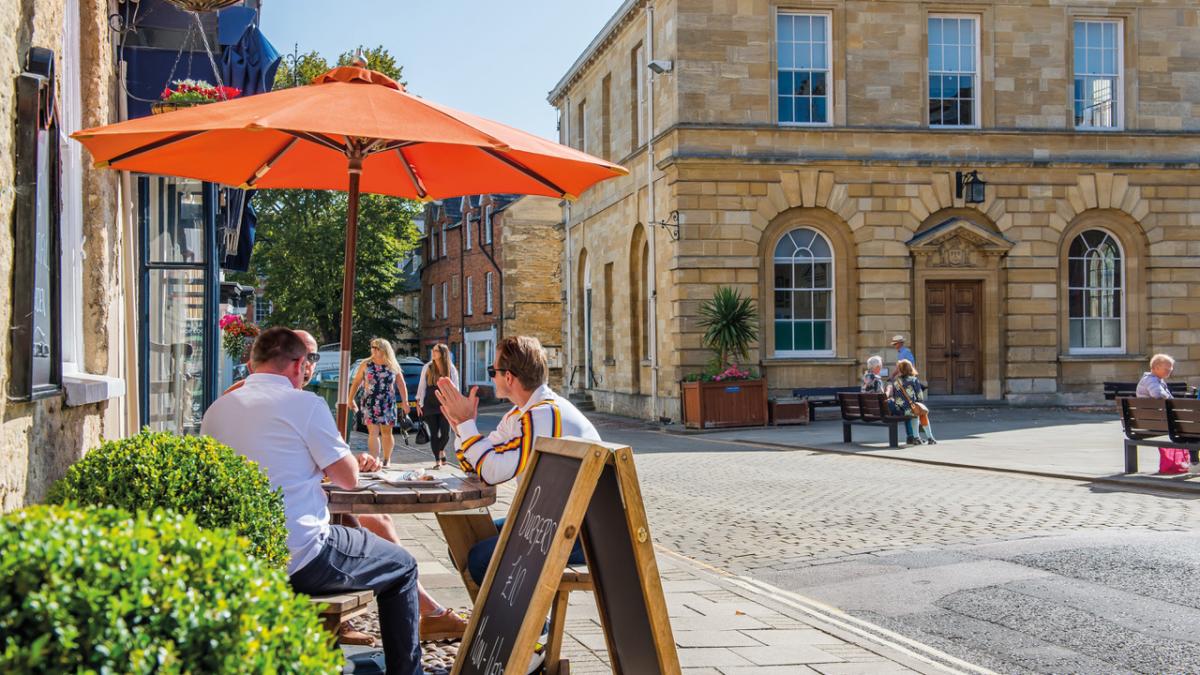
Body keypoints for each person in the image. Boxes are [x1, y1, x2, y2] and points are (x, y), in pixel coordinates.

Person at [200, 328, 424, 675]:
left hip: (238, 557)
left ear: (251, 363)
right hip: (300, 557)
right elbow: (348, 480)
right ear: (298, 364)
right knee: (403, 566)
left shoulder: (216, 410)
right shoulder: (303, 404)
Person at [434, 335, 599, 585]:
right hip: (552, 519)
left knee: (481, 558)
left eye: (493, 371)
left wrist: (468, 425)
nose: (491, 376)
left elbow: (493, 471)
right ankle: (497, 620)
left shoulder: (544, 414)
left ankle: (528, 624)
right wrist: (461, 428)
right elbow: (477, 465)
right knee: (464, 541)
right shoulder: (521, 414)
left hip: (582, 533)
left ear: (508, 377)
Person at [349, 338, 411, 466]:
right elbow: (356, 382)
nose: (373, 349)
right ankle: (374, 460)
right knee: (373, 433)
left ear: (384, 349)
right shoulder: (366, 364)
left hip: (387, 402)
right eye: (372, 347)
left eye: (376, 347)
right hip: (370, 401)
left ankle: (387, 459)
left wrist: (405, 402)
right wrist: (350, 399)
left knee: (387, 432)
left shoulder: (392, 364)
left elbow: (401, 384)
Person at [1137, 354, 1191, 474]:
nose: (1169, 372)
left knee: (1190, 425)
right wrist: (1172, 401)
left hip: (1153, 421)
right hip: (1157, 422)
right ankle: (1194, 462)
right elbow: (1157, 394)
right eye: (1167, 369)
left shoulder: (1155, 380)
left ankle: (1193, 460)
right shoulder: (1151, 380)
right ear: (1155, 367)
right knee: (1191, 427)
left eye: (1170, 369)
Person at [415, 344, 459, 469]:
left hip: (446, 405)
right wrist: (419, 402)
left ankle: (440, 450)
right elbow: (422, 386)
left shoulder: (451, 369)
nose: (433, 353)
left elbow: (456, 388)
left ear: (443, 353)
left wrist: (455, 404)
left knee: (446, 434)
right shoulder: (427, 367)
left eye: (436, 351)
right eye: (432, 350)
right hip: (430, 404)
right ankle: (437, 460)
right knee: (434, 433)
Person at [889, 359, 936, 445]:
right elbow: (920, 396)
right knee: (921, 412)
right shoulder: (913, 380)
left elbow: (895, 396)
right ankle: (930, 438)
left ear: (900, 370)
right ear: (910, 369)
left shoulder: (896, 381)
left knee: (914, 411)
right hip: (910, 409)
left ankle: (916, 438)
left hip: (900, 410)